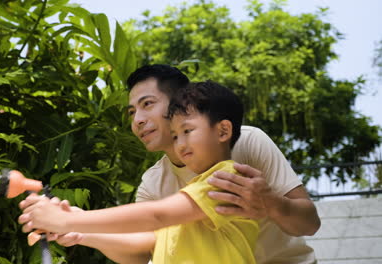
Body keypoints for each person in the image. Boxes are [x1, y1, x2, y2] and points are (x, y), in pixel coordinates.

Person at [21, 64, 321, 263]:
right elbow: (144, 247)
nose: (137, 120)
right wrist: (81, 232)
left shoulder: (240, 151)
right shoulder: (154, 181)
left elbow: (309, 222)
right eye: (131, 112)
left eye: (147, 104)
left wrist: (269, 201)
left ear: (180, 103)